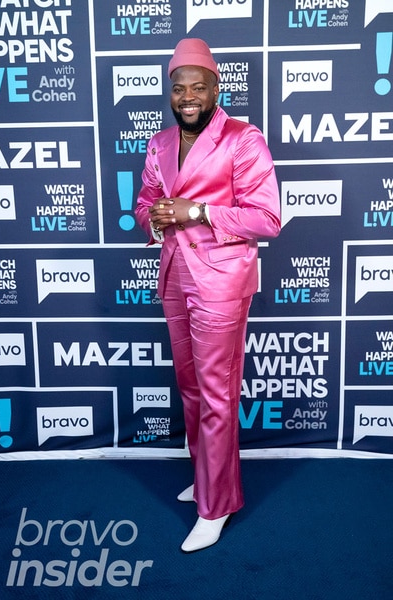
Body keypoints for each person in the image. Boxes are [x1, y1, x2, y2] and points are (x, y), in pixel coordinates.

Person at [135, 38, 281, 553]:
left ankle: (216, 507)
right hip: (175, 274)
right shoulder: (159, 144)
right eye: (180, 88)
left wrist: (195, 212)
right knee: (192, 388)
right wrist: (152, 218)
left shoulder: (243, 139)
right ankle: (205, 478)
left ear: (217, 88)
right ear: (170, 93)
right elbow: (146, 203)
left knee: (217, 394)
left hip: (221, 280)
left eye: (199, 86)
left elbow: (267, 217)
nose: (189, 96)